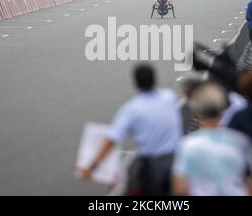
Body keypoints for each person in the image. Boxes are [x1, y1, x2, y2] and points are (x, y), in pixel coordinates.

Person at [78, 64, 182, 196]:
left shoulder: (131, 109)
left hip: (153, 166)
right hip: (177, 160)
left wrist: (92, 167)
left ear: (135, 83)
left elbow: (112, 139)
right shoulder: (169, 96)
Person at [172, 82, 252, 196]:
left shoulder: (187, 145)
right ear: (223, 108)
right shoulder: (242, 142)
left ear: (198, 110)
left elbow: (180, 188)